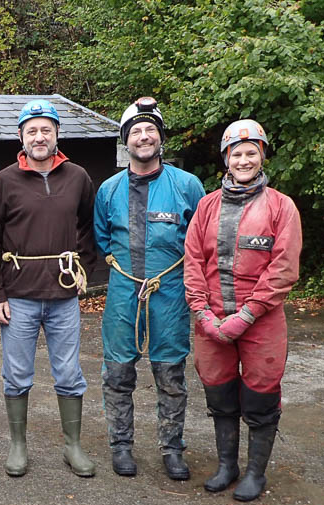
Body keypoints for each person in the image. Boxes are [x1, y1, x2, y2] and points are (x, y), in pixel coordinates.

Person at [184, 119, 301, 501]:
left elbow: (283, 269)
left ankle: (255, 473)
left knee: (260, 396)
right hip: (212, 323)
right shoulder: (207, 207)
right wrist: (203, 313)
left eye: (252, 153)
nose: (244, 160)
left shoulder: (281, 207)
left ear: (262, 156)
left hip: (261, 323)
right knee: (219, 393)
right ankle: (227, 466)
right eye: (237, 154)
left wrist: (247, 314)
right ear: (226, 159)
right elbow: (193, 262)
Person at [0, 99, 99, 478]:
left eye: (45, 130)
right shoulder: (4, 181)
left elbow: (89, 227)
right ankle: (18, 445)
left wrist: (82, 270)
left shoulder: (78, 177)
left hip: (63, 295)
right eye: (31, 131)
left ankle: (72, 445)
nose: (39, 137)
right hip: (18, 295)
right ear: (20, 136)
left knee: (69, 372)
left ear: (57, 134)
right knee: (17, 373)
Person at [94, 97, 206, 480]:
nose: (144, 137)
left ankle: (172, 449)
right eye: (136, 131)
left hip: (169, 295)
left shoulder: (187, 186)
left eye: (150, 130)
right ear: (126, 140)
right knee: (117, 373)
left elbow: (201, 240)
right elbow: (103, 239)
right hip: (123, 294)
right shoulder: (108, 190)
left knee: (171, 375)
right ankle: (120, 446)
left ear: (161, 138)